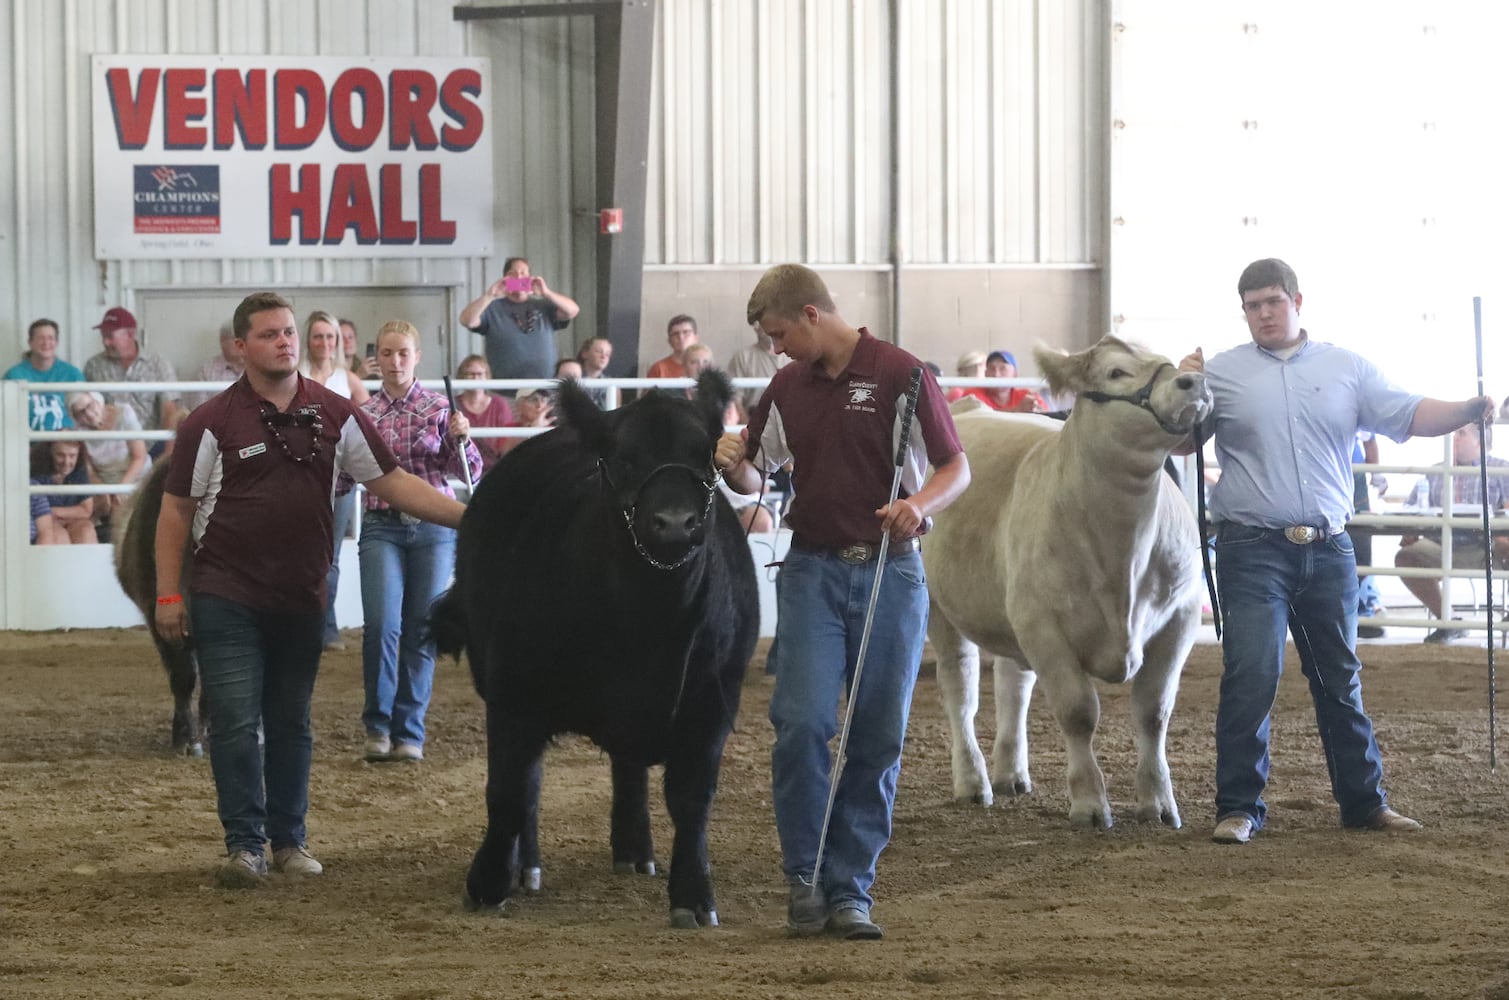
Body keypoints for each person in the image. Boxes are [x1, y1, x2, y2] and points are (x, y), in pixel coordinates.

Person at [1177, 257, 1496, 846]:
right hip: (1251, 546)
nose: (1264, 313)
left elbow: (1410, 412)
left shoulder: (1347, 366)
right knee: (1251, 673)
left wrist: (1468, 409)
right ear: (1243, 311)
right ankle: (1238, 806)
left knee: (1339, 678)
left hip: (1328, 548)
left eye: (1273, 300)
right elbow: (1180, 440)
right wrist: (1184, 389)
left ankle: (1364, 803)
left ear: (1299, 300)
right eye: (1252, 305)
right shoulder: (1219, 374)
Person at [153, 291, 467, 888]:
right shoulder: (210, 422)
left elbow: (394, 482)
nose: (286, 342)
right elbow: (175, 513)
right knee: (238, 722)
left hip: (301, 594)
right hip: (225, 594)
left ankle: (288, 840)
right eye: (270, 334)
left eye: (290, 332)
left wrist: (470, 517)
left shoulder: (337, 412)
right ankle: (245, 845)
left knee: (292, 722)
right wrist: (170, 594)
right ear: (241, 346)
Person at [715, 264, 971, 940]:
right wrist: (729, 458)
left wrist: (917, 506)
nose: (775, 348)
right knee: (800, 723)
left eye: (777, 334)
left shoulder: (901, 374)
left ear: (808, 314)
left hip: (892, 571)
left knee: (876, 736)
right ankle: (804, 875)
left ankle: (849, 886)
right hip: (811, 571)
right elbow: (756, 471)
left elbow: (954, 466)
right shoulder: (784, 387)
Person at [356, 320, 481, 764]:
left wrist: (461, 440)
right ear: (377, 358)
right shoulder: (365, 415)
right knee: (382, 625)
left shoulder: (439, 408)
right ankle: (378, 725)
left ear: (416, 356)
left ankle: (408, 730)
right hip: (381, 523)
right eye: (387, 354)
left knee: (420, 629)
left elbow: (468, 471)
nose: (395, 362)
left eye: (403, 354)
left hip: (431, 527)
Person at [1394, 424, 1509, 643]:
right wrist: (1410, 529)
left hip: (1489, 546)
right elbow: (1411, 511)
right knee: (1406, 557)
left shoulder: (1503, 470)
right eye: (1453, 433)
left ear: (1480, 440)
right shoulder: (1434, 473)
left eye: (1460, 433)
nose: (1454, 438)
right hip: (1441, 546)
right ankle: (1448, 619)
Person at [302, 311, 372, 652]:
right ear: (308, 339)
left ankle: (325, 629)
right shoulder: (294, 376)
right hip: (299, 477)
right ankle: (303, 628)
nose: (325, 343)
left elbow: (373, 421)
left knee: (329, 558)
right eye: (318, 336)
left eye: (330, 336)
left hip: (340, 478)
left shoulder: (349, 379)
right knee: (298, 554)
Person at [459, 256, 580, 383]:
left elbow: (572, 311)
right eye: (513, 273)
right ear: (504, 278)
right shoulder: (492, 308)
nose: (518, 277)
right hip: (504, 389)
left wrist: (546, 292)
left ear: (530, 278)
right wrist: (490, 295)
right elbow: (467, 320)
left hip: (545, 387)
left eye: (523, 273)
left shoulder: (545, 305)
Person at [83, 307, 181, 443]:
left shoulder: (158, 365)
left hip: (150, 447)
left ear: (130, 334)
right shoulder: (94, 366)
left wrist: (168, 454)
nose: (105, 342)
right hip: (108, 449)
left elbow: (169, 411)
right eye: (103, 336)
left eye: (110, 336)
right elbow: (86, 410)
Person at [67, 390, 148, 529]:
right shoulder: (79, 431)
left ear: (97, 400)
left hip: (135, 476)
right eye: (80, 413)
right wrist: (102, 489)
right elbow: (89, 469)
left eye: (90, 406)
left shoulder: (124, 413)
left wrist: (121, 489)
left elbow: (140, 457)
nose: (89, 414)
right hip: (106, 482)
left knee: (124, 507)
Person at [5, 318, 85, 430]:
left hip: (64, 440)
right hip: (26, 442)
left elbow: (84, 415)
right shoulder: (14, 375)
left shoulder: (72, 374)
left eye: (51, 338)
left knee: (65, 447)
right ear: (30, 342)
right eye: (40, 338)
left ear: (57, 342)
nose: (46, 343)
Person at [454, 354, 514, 473]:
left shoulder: (499, 404)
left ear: (487, 377)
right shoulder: (452, 404)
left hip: (493, 470)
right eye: (470, 374)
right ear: (462, 377)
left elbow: (507, 443)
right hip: (461, 468)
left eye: (480, 374)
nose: (475, 379)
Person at [1352, 432, 1387, 638]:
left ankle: (1362, 611)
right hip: (1323, 478)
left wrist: (1375, 474)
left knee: (1360, 550)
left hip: (1355, 484)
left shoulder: (1352, 402)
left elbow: (1370, 440)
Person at [29, 440, 95, 545]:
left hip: (73, 521)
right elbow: (38, 512)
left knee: (86, 531)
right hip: (45, 523)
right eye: (60, 455)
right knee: (58, 536)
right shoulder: (37, 468)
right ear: (50, 452)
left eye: (72, 456)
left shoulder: (80, 468)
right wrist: (47, 514)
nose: (66, 462)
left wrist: (51, 511)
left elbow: (86, 510)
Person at [956, 350, 1047, 413]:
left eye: (1003, 369)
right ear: (986, 373)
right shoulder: (972, 395)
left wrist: (1039, 411)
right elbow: (978, 418)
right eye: (991, 369)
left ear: (1015, 374)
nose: (996, 374)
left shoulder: (1028, 396)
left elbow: (1049, 419)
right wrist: (1017, 411)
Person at [183, 323, 246, 412]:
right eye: (235, 338)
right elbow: (199, 412)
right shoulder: (206, 372)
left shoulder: (258, 368)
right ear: (222, 340)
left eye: (244, 338)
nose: (241, 343)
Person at [726, 321, 789, 410]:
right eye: (766, 321)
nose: (772, 328)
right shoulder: (743, 357)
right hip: (754, 415)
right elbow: (734, 398)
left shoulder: (793, 355)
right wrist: (748, 423)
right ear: (756, 326)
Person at [498, 387, 554, 457]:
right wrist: (531, 429)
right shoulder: (509, 429)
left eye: (543, 400)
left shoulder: (552, 430)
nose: (539, 405)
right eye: (534, 400)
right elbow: (504, 456)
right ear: (519, 406)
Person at [646, 315, 699, 379]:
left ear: (696, 338)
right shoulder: (658, 369)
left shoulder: (706, 367)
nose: (681, 337)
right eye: (675, 334)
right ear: (669, 341)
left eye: (686, 332)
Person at [576, 336, 614, 408]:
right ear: (585, 353)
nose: (603, 356)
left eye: (607, 354)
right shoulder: (574, 380)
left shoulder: (612, 385)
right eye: (598, 351)